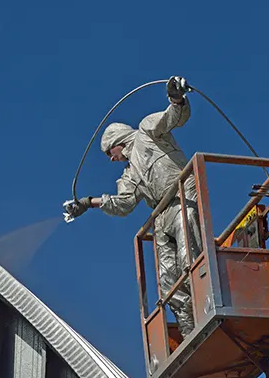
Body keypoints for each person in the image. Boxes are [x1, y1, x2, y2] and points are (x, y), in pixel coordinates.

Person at [65, 76, 202, 338]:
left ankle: (206, 312)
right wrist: (88, 203)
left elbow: (173, 117)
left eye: (109, 153)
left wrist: (176, 98)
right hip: (161, 215)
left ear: (117, 142)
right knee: (167, 281)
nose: (111, 159)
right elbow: (124, 204)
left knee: (190, 261)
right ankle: (191, 333)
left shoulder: (147, 131)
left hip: (182, 197)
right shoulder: (128, 176)